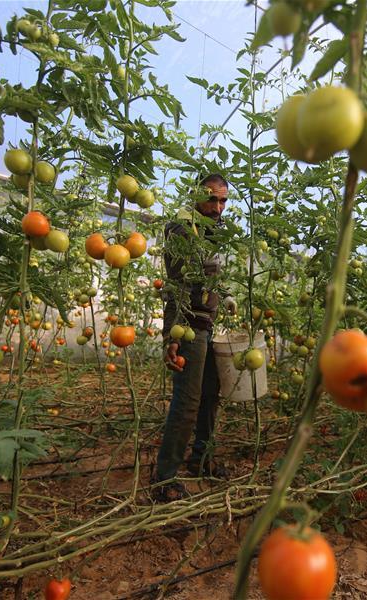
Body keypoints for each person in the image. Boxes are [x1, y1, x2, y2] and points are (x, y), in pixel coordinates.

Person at [153, 173, 237, 502]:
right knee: (187, 402)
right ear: (196, 196)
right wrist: (171, 335)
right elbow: (179, 284)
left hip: (207, 323)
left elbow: (210, 276)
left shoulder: (212, 232)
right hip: (187, 325)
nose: (218, 207)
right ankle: (165, 478)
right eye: (212, 199)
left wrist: (225, 293)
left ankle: (201, 458)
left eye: (223, 200)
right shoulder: (181, 229)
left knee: (210, 394)